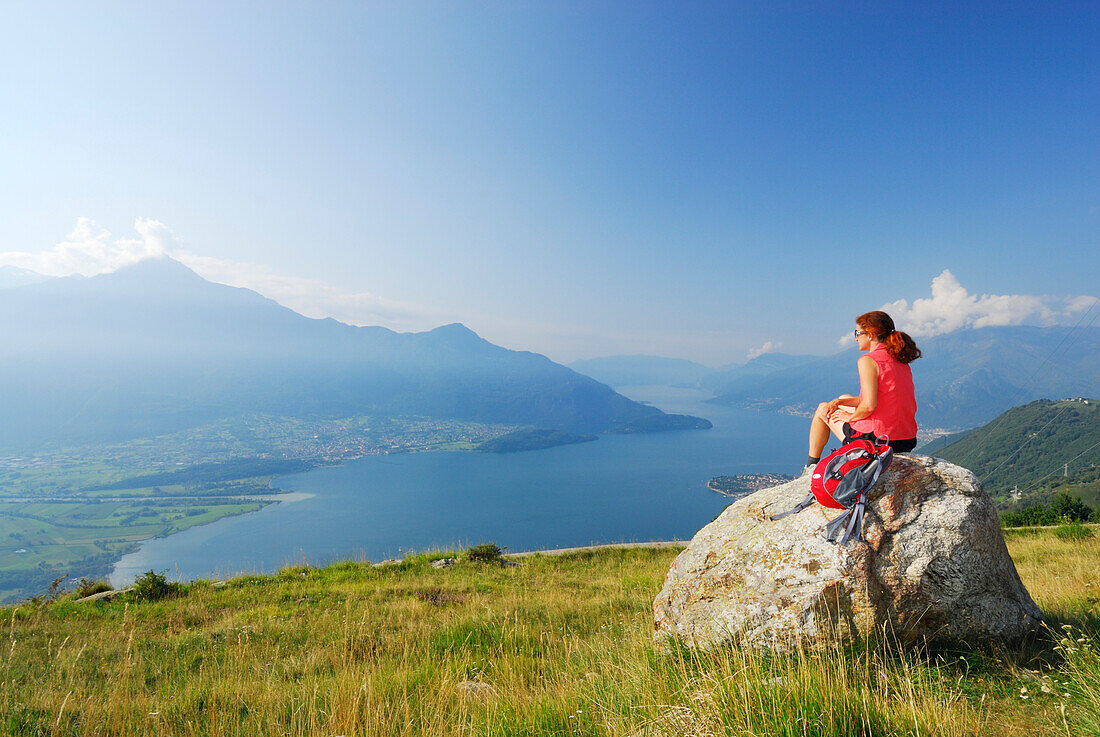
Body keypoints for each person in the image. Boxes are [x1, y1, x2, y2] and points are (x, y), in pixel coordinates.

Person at [804, 310, 921, 473]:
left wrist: (850, 418)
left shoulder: (869, 360)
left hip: (876, 441)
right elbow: (875, 398)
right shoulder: (900, 360)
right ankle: (841, 405)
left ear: (871, 335)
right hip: (905, 439)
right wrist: (839, 402)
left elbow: (868, 405)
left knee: (823, 408)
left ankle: (810, 467)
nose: (856, 337)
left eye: (858, 333)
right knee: (843, 397)